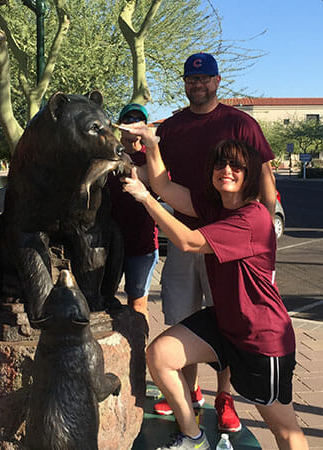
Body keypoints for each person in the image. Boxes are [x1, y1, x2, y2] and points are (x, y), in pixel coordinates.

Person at [123, 134, 308, 450]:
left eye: (237, 165)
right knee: (161, 355)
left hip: (261, 337)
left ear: (248, 174)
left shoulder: (253, 217)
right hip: (225, 322)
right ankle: (194, 437)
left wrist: (145, 198)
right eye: (221, 164)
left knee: (284, 428)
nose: (227, 170)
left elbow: (189, 241)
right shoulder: (215, 206)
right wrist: (152, 146)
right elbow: (165, 186)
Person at [152, 52, 277, 433]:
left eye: (204, 78)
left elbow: (265, 176)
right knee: (179, 315)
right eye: (191, 79)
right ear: (185, 83)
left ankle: (226, 397)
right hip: (186, 235)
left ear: (218, 81)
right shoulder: (172, 128)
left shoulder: (240, 124)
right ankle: (188, 392)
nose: (198, 84)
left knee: (228, 318)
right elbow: (158, 175)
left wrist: (265, 229)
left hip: (231, 241)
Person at [107, 103, 159, 321]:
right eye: (128, 120)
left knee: (137, 305)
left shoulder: (153, 157)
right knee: (104, 299)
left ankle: (140, 352)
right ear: (120, 126)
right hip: (107, 244)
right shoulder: (105, 153)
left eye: (138, 121)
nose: (132, 125)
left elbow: (157, 183)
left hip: (142, 245)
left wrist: (127, 164)